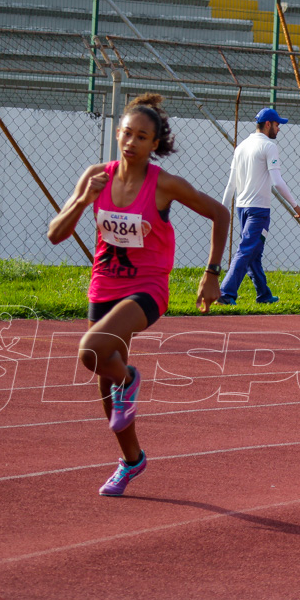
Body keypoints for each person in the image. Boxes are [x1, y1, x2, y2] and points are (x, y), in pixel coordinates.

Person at [48, 93, 229, 497]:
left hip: (147, 287)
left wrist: (211, 273)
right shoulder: (96, 176)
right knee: (105, 385)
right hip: (104, 284)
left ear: (154, 144)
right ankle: (131, 461)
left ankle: (129, 379)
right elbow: (55, 235)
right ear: (117, 134)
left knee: (91, 351)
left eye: (141, 137)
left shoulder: (164, 185)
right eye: (126, 133)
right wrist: (83, 200)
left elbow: (220, 213)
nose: (131, 142)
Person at [217, 107, 300, 306]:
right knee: (247, 249)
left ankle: (264, 294)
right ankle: (226, 292)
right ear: (268, 124)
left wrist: (223, 210)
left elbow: (231, 183)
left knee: (254, 252)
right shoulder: (268, 146)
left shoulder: (241, 146)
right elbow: (277, 181)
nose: (279, 129)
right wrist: (295, 205)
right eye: (277, 125)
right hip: (259, 210)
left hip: (242, 207)